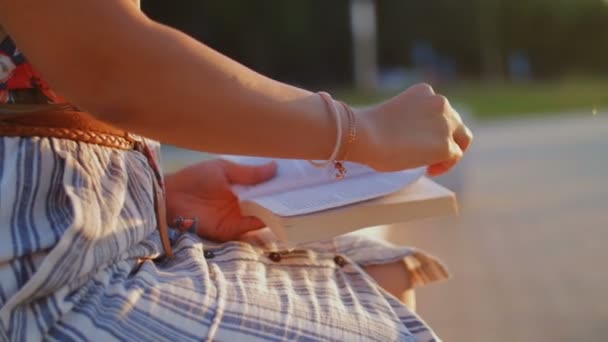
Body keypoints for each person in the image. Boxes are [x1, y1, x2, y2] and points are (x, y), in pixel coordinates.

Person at [0, 0, 473, 341]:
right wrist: (360, 131)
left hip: (86, 244)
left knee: (383, 269)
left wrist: (149, 199)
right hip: (41, 291)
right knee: (377, 329)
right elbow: (108, 63)